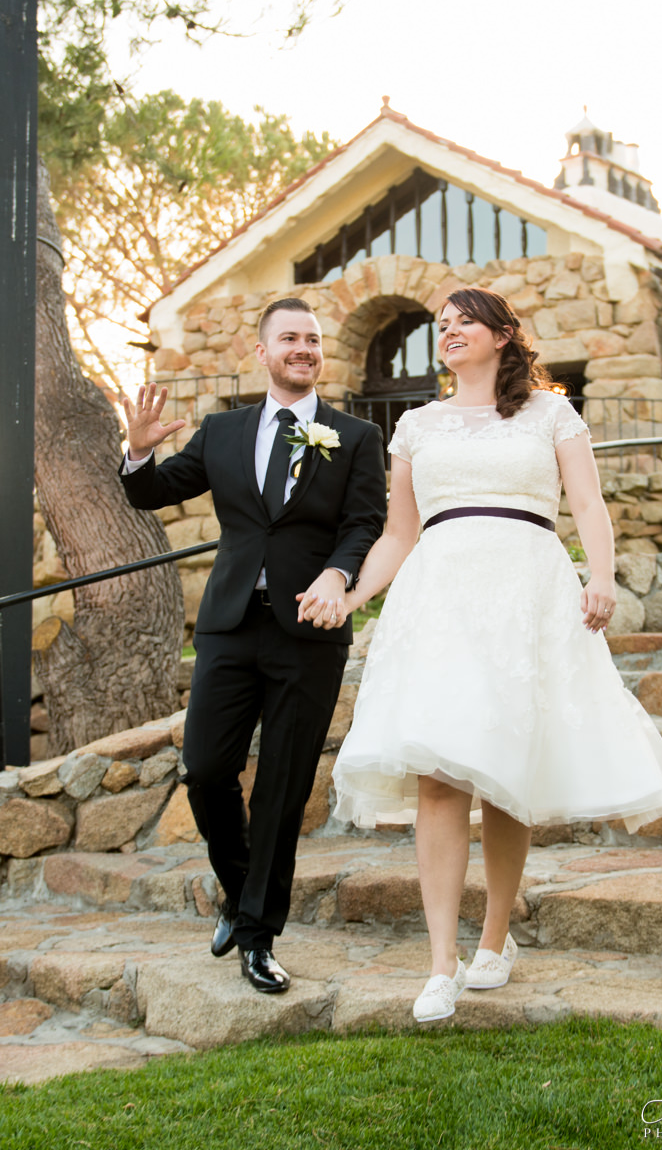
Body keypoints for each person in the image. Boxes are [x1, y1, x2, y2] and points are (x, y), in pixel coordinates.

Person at [307, 285, 662, 1023]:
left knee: (507, 772)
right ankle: (440, 963)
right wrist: (354, 596)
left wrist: (601, 576)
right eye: (441, 326)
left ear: (503, 335)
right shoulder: (416, 426)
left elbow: (587, 505)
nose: (447, 333)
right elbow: (398, 533)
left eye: (463, 323)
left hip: (527, 593)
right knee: (440, 776)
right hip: (441, 601)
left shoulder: (552, 412)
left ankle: (495, 939)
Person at [120, 296, 387, 994]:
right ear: (263, 353)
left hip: (311, 631)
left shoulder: (354, 437)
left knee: (281, 789)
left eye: (313, 339)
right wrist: (141, 450)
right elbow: (152, 493)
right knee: (206, 770)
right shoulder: (223, 431)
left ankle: (258, 938)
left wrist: (338, 573)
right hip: (230, 626)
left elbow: (366, 524)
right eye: (289, 338)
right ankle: (244, 903)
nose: (304, 348)